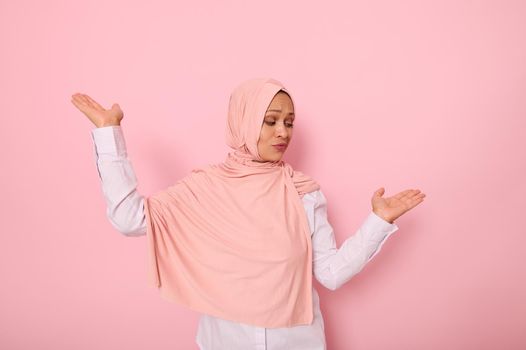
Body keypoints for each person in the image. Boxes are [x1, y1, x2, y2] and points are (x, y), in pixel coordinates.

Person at [71, 77, 426, 350]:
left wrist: (378, 221)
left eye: (289, 122)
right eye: (270, 121)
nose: (283, 132)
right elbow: (129, 218)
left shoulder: (305, 193)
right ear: (244, 120)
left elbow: (330, 273)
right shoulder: (205, 188)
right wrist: (108, 133)